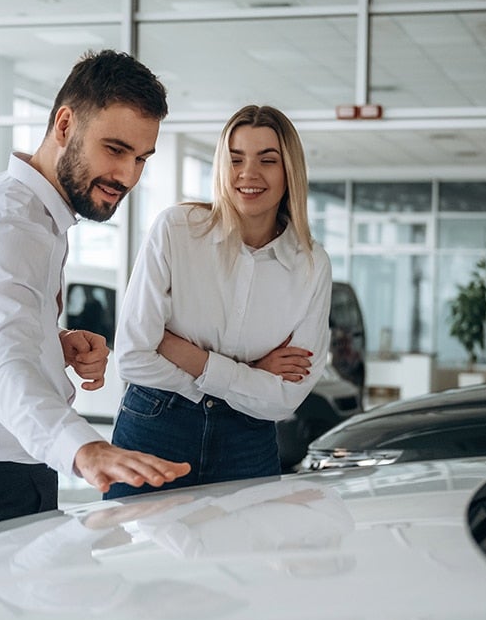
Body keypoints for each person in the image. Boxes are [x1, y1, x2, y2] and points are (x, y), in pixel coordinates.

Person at [0, 50, 190, 540]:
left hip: (2, 470)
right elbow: (3, 367)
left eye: (141, 158)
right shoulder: (12, 224)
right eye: (115, 149)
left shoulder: (28, 212)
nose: (128, 176)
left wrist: (51, 341)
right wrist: (84, 450)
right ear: (65, 124)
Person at [105, 104, 332, 499]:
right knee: (138, 558)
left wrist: (189, 356)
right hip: (156, 428)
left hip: (246, 442)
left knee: (241, 560)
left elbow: (284, 398)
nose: (249, 173)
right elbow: (132, 356)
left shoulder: (310, 265)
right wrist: (250, 371)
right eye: (236, 158)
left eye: (268, 160)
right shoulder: (176, 231)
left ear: (289, 171)